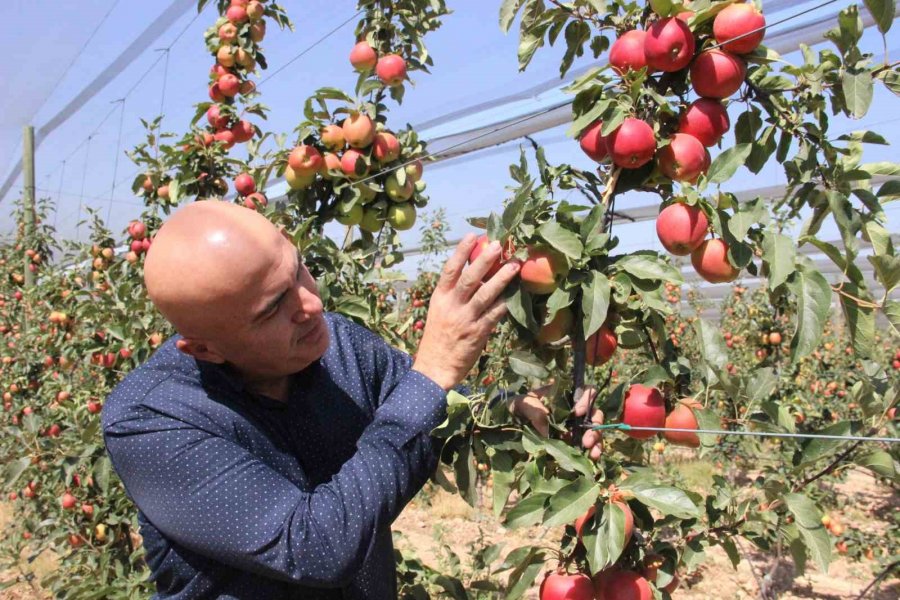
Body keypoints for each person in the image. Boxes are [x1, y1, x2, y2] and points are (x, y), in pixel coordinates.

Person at [102, 200, 600, 599]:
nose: (312, 303)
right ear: (205, 350)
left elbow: (434, 406)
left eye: (299, 270)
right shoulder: (150, 420)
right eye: (273, 308)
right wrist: (434, 370)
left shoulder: (338, 345)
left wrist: (518, 410)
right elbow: (315, 549)